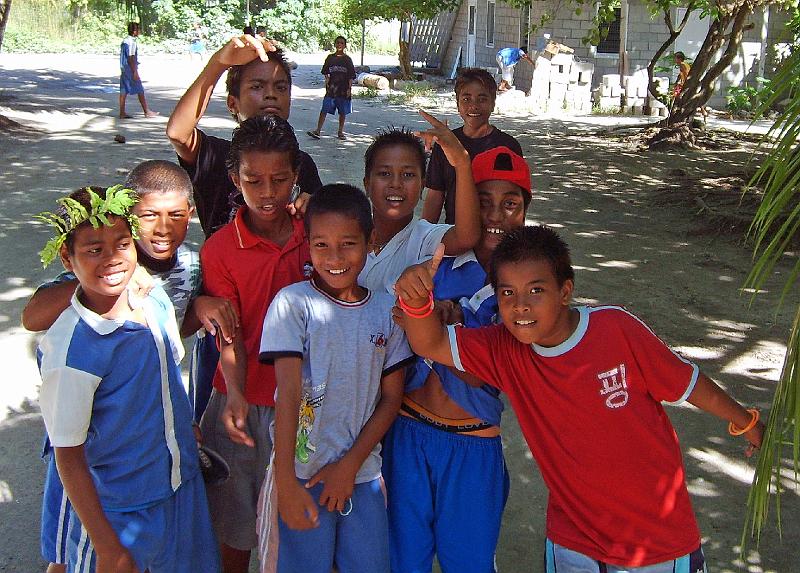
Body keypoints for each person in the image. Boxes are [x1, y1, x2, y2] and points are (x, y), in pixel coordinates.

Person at [394, 225, 765, 572]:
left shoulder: (615, 329)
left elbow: (687, 381)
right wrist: (417, 299)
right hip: (574, 545)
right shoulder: (504, 349)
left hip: (659, 541)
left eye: (536, 290)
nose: (520, 305)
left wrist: (743, 420)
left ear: (565, 291)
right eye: (507, 292)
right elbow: (432, 342)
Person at [22, 161, 238, 573]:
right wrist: (105, 546)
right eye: (93, 250)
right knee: (72, 552)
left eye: (121, 245)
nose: (112, 258)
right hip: (114, 494)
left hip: (171, 477)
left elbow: (167, 368)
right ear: (68, 258)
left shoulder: (153, 301)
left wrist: (180, 423)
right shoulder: (74, 349)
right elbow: (68, 456)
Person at [384, 146, 531, 573]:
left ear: (526, 210)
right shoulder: (437, 263)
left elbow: (490, 368)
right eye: (482, 203)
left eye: (510, 205)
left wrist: (443, 325)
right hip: (408, 432)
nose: (495, 216)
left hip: (472, 443)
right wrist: (422, 315)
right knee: (401, 559)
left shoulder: (526, 284)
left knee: (468, 561)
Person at [166, 34, 322, 423]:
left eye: (280, 86)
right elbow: (178, 132)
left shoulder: (302, 164)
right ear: (233, 103)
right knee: (215, 424)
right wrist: (219, 62)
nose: (270, 94)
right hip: (226, 321)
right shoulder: (215, 155)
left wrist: (314, 205)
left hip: (288, 324)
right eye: (257, 86)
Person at [258, 184, 414, 572]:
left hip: (362, 475)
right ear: (307, 244)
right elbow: (289, 395)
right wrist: (286, 486)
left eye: (348, 243)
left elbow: (391, 399)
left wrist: (349, 468)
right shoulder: (292, 304)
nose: (335, 257)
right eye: (321, 245)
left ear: (371, 240)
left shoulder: (386, 311)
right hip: (301, 478)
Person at [198, 114, 313, 573]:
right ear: (234, 179)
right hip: (240, 402)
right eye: (253, 180)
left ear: (296, 177)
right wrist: (238, 393)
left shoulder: (320, 234)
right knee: (234, 526)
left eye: (279, 179)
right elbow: (230, 334)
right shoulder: (221, 250)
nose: (267, 192)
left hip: (308, 405)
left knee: (302, 525)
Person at [358, 113, 481, 294]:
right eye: (384, 173)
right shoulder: (351, 232)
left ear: (422, 185)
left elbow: (466, 237)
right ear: (367, 184)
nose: (396, 184)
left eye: (408, 175)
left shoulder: (424, 237)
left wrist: (462, 163)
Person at [422, 68, 523, 225]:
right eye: (466, 99)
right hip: (456, 234)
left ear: (493, 103)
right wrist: (423, 237)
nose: (473, 106)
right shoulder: (446, 143)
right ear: (457, 104)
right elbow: (436, 194)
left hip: (493, 233)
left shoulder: (508, 146)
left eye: (482, 99)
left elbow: (515, 200)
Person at [306, 36, 356, 141]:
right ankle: (318, 130)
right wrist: (327, 80)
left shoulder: (347, 59)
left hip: (343, 89)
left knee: (342, 112)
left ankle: (340, 132)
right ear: (335, 44)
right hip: (332, 89)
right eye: (337, 43)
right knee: (324, 109)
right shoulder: (330, 58)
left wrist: (349, 89)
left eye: (342, 43)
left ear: (345, 45)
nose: (339, 45)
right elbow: (325, 71)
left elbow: (351, 75)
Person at [119, 21, 159, 119]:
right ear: (134, 31)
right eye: (138, 29)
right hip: (130, 69)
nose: (139, 31)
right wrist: (135, 71)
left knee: (123, 91)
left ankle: (122, 112)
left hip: (124, 68)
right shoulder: (132, 42)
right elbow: (131, 57)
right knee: (140, 90)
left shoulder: (125, 40)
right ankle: (146, 111)